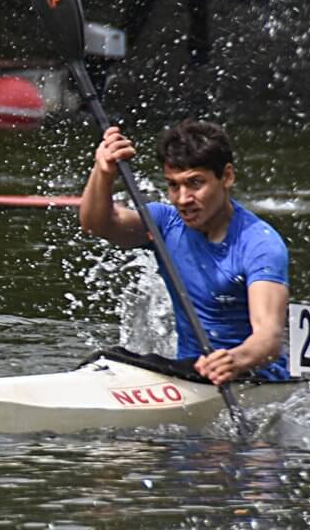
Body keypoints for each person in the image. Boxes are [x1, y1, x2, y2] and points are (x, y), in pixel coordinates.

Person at [78, 119, 288, 384]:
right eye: (174, 185)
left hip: (252, 379)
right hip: (189, 374)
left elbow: (269, 338)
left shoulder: (260, 244)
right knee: (111, 358)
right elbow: (97, 224)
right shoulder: (165, 223)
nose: (183, 199)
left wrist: (234, 360)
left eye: (195, 183)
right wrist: (103, 172)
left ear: (227, 177)